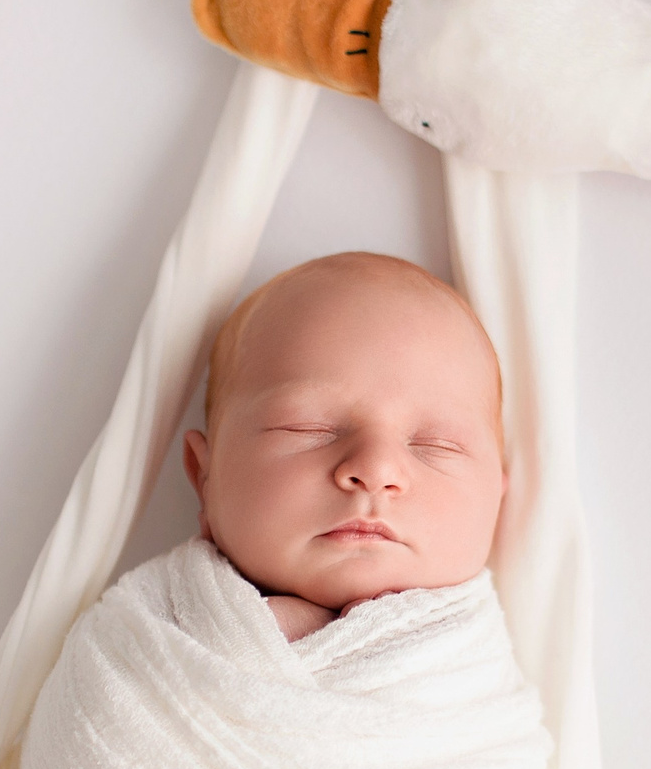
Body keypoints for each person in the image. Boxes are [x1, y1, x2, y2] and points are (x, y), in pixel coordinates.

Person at [182, 250, 506, 641]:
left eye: (437, 444)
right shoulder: (154, 629)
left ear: (497, 498)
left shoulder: (477, 667)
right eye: (307, 428)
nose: (376, 468)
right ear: (204, 476)